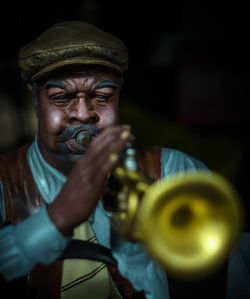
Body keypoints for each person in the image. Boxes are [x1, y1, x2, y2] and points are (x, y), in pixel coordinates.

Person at [0, 21, 248, 299]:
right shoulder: (3, 181)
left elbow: (237, 276)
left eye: (102, 96)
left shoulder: (177, 171)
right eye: (61, 97)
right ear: (35, 101)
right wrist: (58, 216)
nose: (83, 114)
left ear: (119, 95)